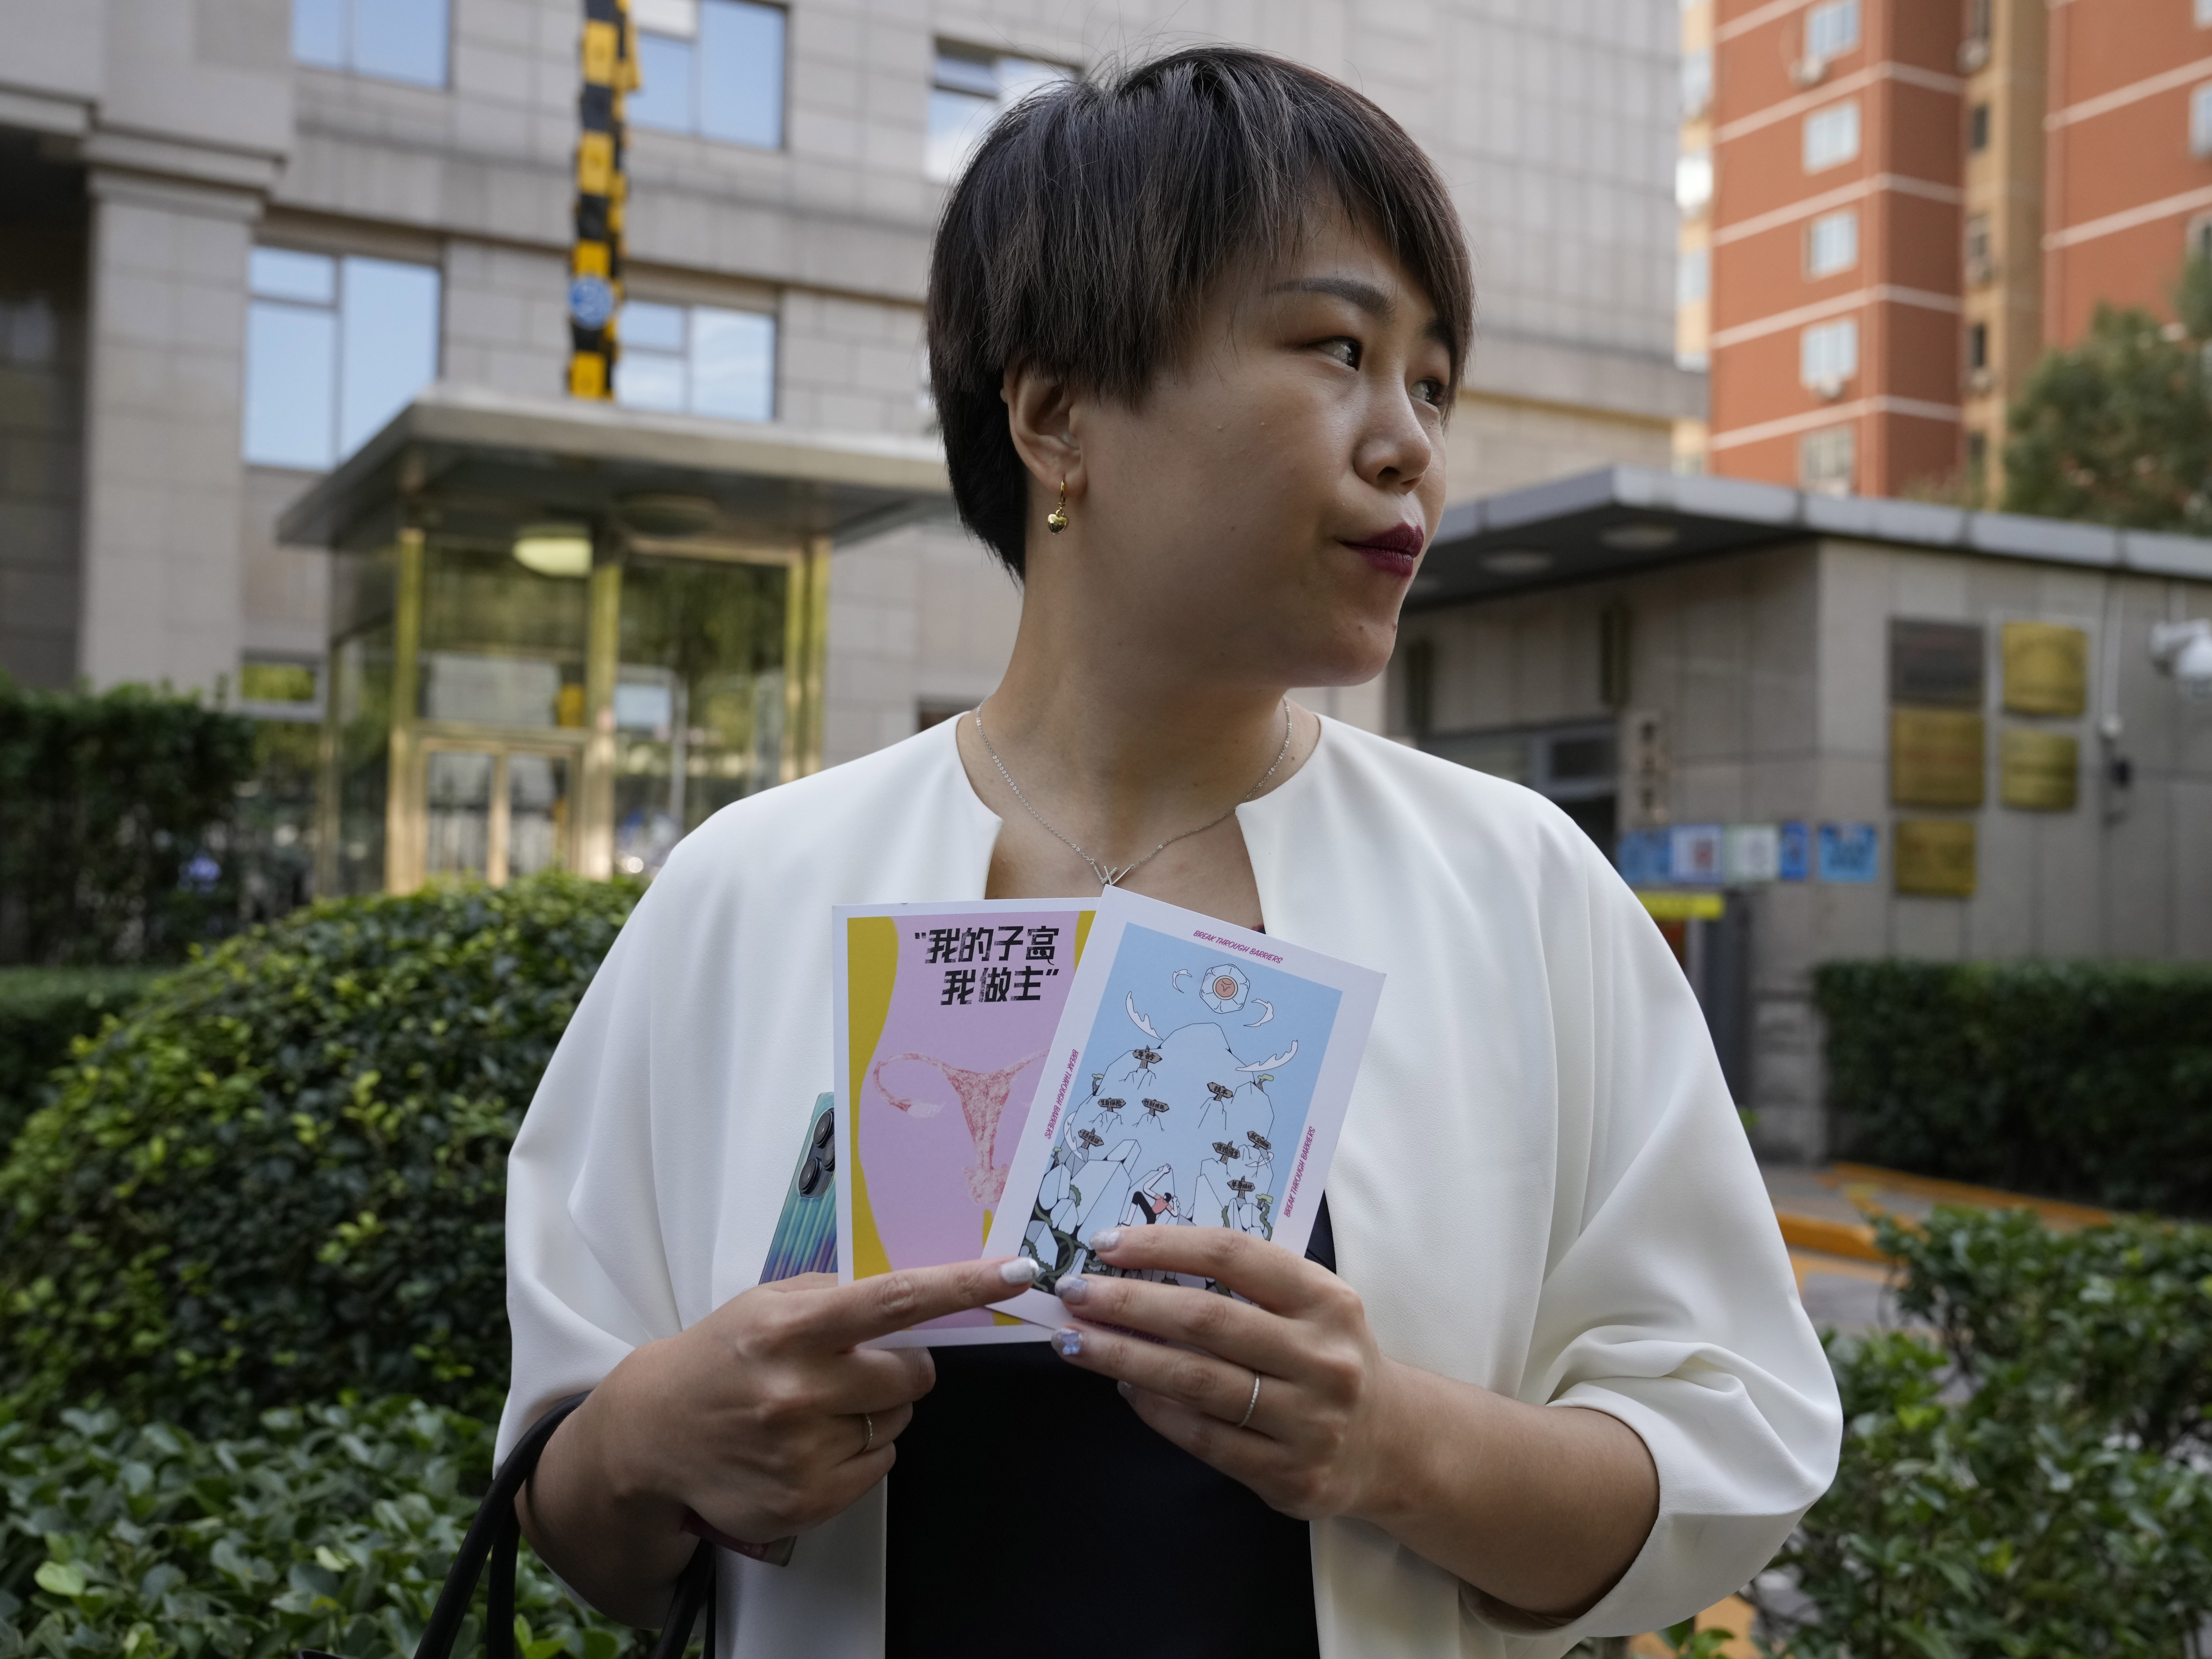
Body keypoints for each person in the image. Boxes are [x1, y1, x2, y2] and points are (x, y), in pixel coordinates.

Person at [501, 45, 1840, 1659]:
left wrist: (1393, 1445)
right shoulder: (749, 887)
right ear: (1058, 412)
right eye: (1339, 348)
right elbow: (578, 1508)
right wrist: (651, 1442)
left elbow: (1728, 1450)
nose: (1408, 438)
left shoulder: (1522, 886)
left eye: (1431, 381)